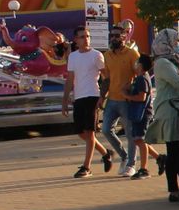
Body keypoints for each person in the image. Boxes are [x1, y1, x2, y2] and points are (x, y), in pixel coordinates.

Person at [146, 28, 179, 202]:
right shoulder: (163, 63)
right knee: (176, 152)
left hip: (177, 109)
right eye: (175, 41)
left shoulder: (172, 61)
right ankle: (176, 188)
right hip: (169, 111)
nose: (178, 45)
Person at [61, 26, 110, 178]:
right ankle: (105, 153)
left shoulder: (96, 55)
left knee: (90, 133)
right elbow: (70, 78)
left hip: (92, 95)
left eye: (87, 36)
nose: (86, 39)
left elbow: (106, 76)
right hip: (79, 97)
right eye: (82, 37)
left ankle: (86, 167)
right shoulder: (73, 57)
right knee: (81, 132)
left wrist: (103, 96)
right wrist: (64, 99)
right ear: (76, 40)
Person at [100, 25, 141, 177]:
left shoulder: (132, 54)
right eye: (112, 36)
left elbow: (140, 74)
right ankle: (124, 156)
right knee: (105, 130)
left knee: (130, 134)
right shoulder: (107, 55)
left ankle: (131, 164)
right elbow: (107, 79)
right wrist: (101, 97)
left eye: (117, 36)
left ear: (124, 37)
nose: (114, 38)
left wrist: (133, 91)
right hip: (112, 99)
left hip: (127, 100)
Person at [124, 54, 155, 181]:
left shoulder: (142, 79)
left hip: (142, 113)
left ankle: (144, 168)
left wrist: (126, 94)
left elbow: (142, 97)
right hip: (138, 113)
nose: (134, 64)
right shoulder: (139, 78)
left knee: (141, 140)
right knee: (138, 140)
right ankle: (159, 158)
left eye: (136, 62)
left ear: (141, 65)